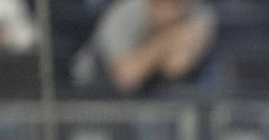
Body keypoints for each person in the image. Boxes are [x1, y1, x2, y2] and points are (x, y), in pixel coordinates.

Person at [72, 0, 217, 94]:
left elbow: (177, 66)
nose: (175, 9)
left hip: (155, 93)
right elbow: (126, 77)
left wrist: (148, 57)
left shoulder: (199, 11)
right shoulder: (124, 14)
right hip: (96, 90)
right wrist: (166, 41)